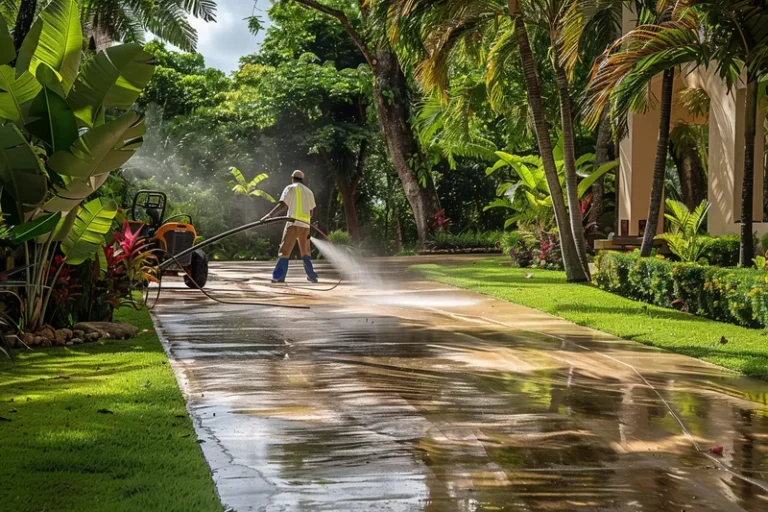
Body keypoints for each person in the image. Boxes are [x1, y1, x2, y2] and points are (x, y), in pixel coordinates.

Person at [264, 170, 319, 283]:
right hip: (305, 225)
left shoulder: (290, 188)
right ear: (302, 180)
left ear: (292, 178)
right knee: (306, 251)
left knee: (285, 251)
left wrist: (269, 215)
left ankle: (279, 277)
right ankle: (312, 276)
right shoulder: (309, 192)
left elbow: (283, 205)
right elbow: (311, 212)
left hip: (293, 223)